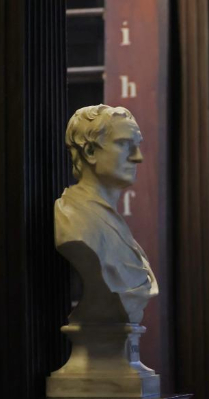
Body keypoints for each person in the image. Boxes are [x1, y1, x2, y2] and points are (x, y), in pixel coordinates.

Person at [56, 104, 157, 324]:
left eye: (137, 145)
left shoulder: (112, 223)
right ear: (90, 152)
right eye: (124, 144)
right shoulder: (73, 221)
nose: (138, 157)